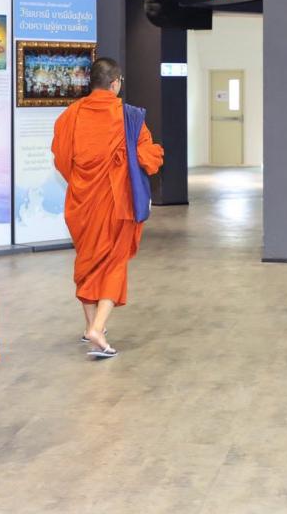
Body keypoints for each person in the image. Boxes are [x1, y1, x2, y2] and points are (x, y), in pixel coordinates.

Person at [51, 57, 164, 358]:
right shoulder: (128, 117)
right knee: (114, 263)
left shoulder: (70, 116)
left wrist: (82, 183)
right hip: (117, 204)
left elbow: (61, 159)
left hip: (82, 203)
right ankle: (98, 328)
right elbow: (149, 158)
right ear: (114, 84)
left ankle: (91, 326)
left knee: (87, 262)